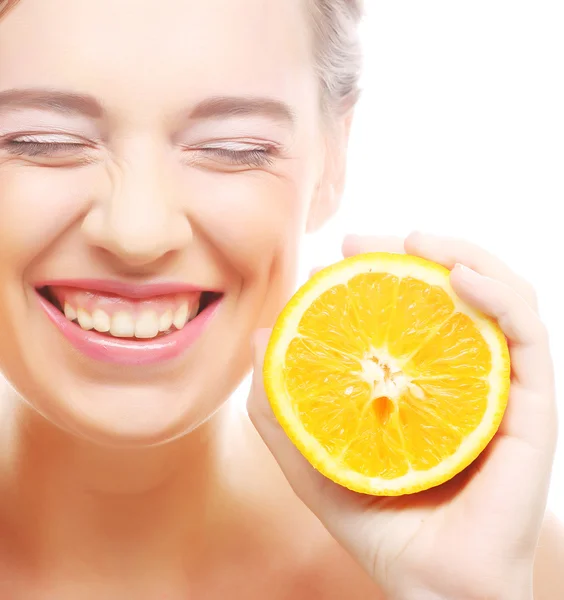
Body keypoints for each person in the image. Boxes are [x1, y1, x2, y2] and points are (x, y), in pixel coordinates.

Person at [0, 0, 562, 598]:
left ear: (332, 161)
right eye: (42, 141)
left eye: (234, 149)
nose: (137, 232)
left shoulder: (520, 574)